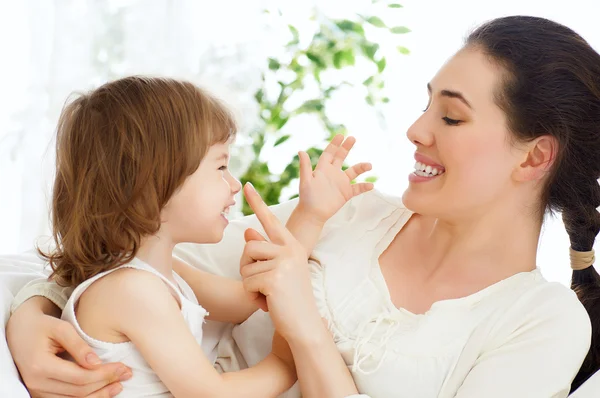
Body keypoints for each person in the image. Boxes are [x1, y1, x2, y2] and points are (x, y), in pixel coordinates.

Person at [5, 15, 600, 398]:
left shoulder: (541, 324)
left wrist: (303, 330)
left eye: (451, 115)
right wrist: (33, 321)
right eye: (426, 106)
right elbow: (122, 255)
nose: (416, 130)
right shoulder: (347, 215)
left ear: (533, 157)